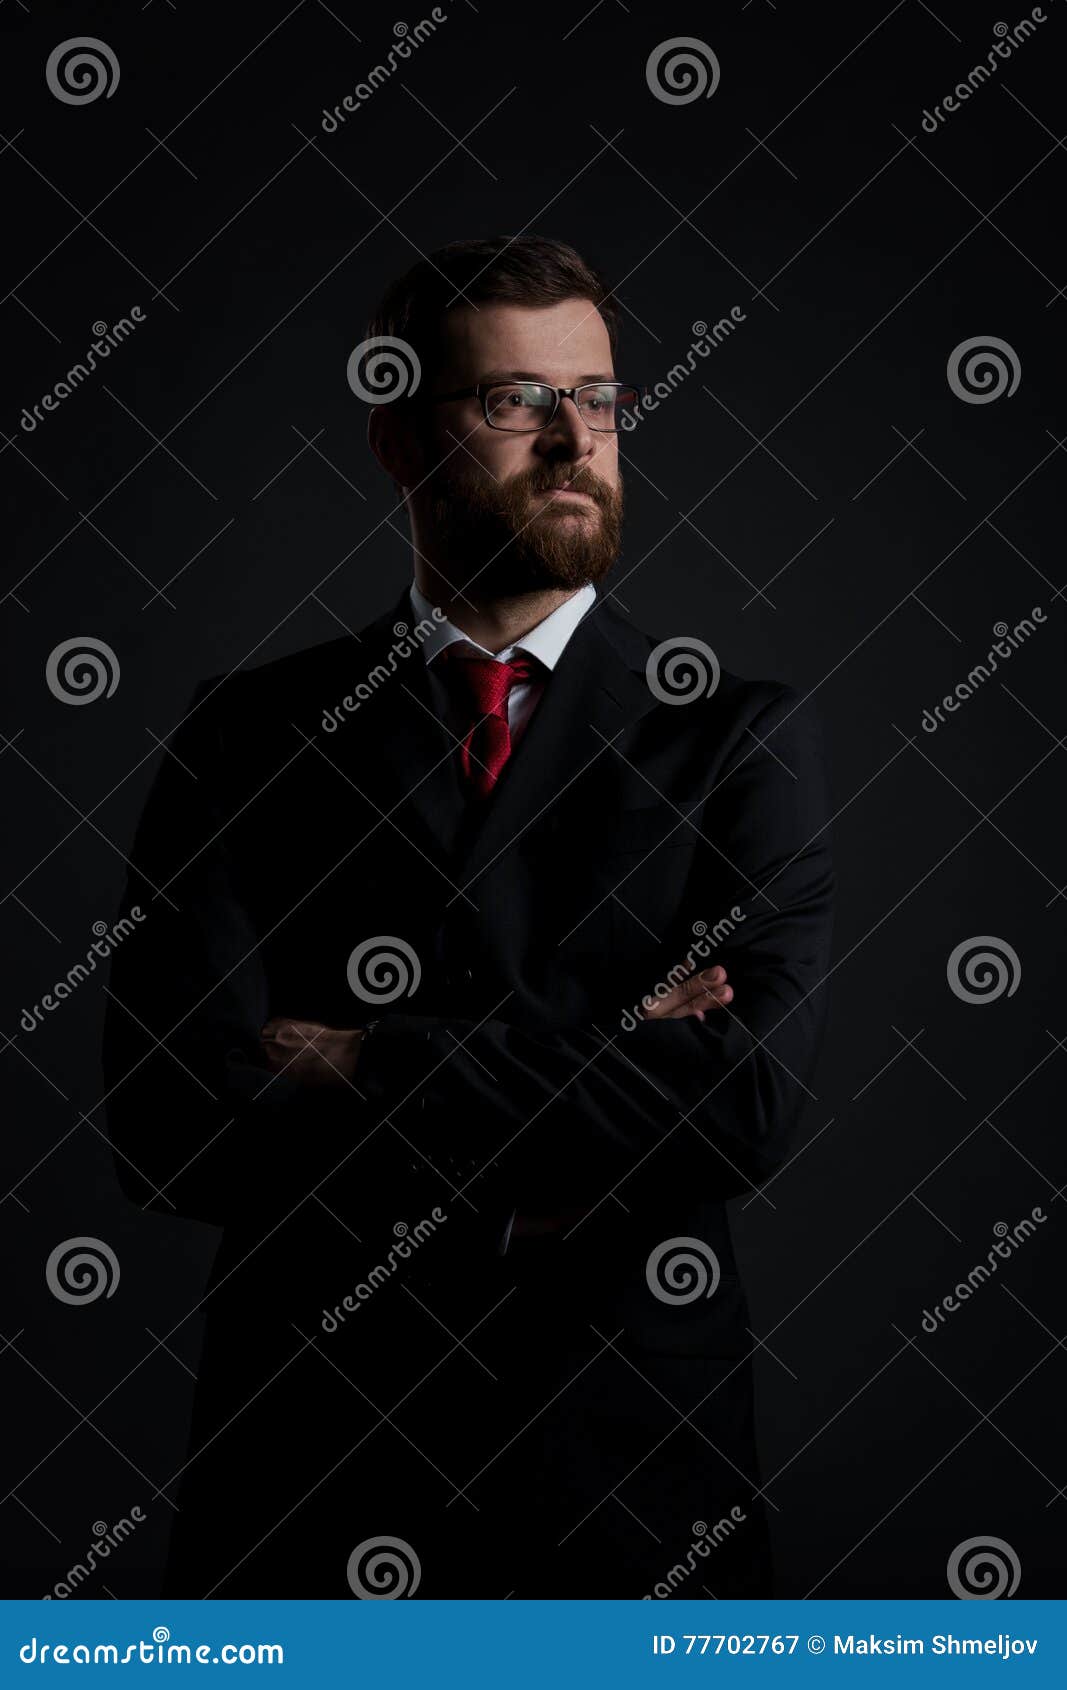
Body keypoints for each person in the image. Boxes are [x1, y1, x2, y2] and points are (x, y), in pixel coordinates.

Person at [102, 235, 834, 1599]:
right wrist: (605, 1066)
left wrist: (369, 1058)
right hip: (309, 1478)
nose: (574, 439)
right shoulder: (253, 739)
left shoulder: (735, 743)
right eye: (514, 401)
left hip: (627, 1493)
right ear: (399, 441)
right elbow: (173, 1117)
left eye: (601, 397)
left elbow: (738, 1108)